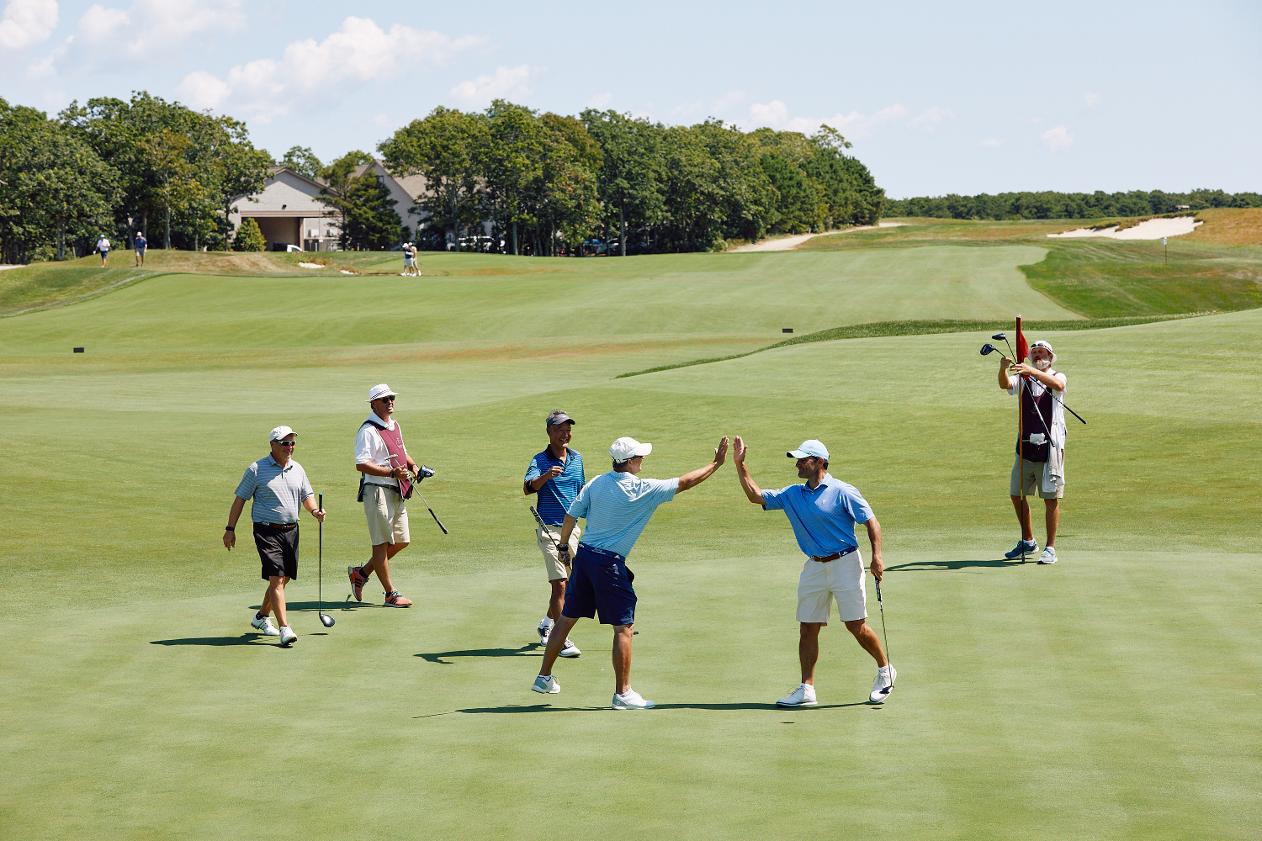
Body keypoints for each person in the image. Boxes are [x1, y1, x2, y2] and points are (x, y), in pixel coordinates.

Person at [532, 435, 729, 710]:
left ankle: (543, 677)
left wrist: (564, 546)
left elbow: (570, 516)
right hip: (608, 566)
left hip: (585, 557)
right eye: (639, 456)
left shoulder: (597, 482)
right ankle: (622, 694)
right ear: (630, 461)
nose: (643, 459)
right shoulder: (642, 488)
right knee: (623, 628)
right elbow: (685, 482)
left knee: (565, 619)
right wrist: (716, 464)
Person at [733, 437, 894, 706]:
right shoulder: (793, 494)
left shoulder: (843, 491)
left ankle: (885, 669)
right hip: (814, 567)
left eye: (802, 460)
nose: (797, 464)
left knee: (856, 626)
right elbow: (755, 495)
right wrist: (740, 464)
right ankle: (806, 689)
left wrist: (877, 557)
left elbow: (871, 522)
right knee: (807, 627)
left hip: (845, 563)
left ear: (819, 462)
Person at [224, 426, 326, 647]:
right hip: (266, 531)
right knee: (277, 579)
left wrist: (315, 511)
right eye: (284, 443)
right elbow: (240, 499)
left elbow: (306, 495)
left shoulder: (297, 469)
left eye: (292, 443)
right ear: (272, 445)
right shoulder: (256, 469)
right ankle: (284, 628)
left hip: (291, 530)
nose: (289, 447)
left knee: (284, 578)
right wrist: (230, 529)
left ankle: (261, 616)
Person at [348, 383, 420, 607]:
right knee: (381, 544)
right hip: (377, 490)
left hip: (397, 489)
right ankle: (390, 594)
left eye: (391, 398)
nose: (390, 402)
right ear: (373, 404)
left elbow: (402, 452)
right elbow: (361, 464)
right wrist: (391, 472)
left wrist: (414, 466)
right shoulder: (368, 430)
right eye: (384, 399)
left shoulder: (394, 425)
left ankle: (360, 574)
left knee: (402, 540)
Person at [999, 339, 1067, 565]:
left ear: (1050, 357)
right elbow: (1005, 385)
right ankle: (1028, 541)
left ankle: (1050, 548)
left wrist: (1031, 371)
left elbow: (1058, 386)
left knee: (1050, 498)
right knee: (1016, 494)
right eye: (1034, 352)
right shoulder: (1024, 378)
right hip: (1025, 447)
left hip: (1050, 449)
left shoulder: (1058, 375)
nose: (1038, 356)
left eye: (1042, 352)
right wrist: (1003, 368)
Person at [523, 410, 585, 658]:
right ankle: (562, 640)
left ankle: (547, 625)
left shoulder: (577, 458)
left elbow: (582, 492)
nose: (565, 434)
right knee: (559, 584)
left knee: (569, 585)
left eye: (568, 429)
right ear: (549, 432)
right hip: (549, 529)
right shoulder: (540, 460)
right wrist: (546, 476)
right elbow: (528, 487)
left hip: (572, 529)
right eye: (559, 429)